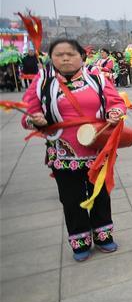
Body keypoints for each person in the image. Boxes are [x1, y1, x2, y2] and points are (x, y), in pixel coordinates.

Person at [21, 39, 126, 262]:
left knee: (100, 195)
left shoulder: (96, 77)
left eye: (70, 54)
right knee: (71, 198)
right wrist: (35, 119)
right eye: (59, 55)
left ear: (81, 56)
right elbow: (28, 113)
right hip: (63, 151)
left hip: (97, 148)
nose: (65, 58)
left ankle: (103, 236)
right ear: (51, 58)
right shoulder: (43, 81)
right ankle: (80, 241)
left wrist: (115, 113)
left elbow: (116, 102)